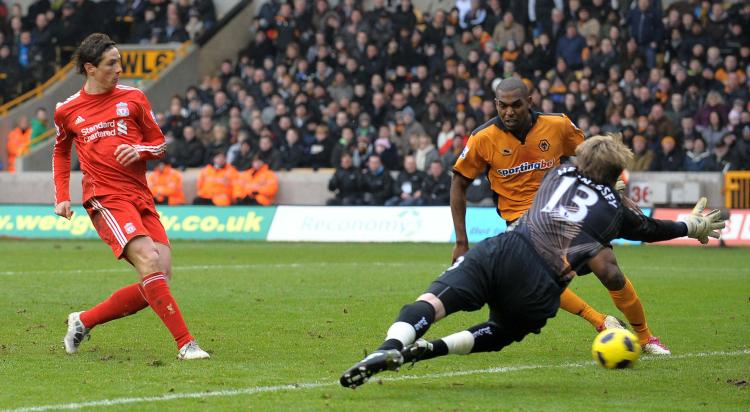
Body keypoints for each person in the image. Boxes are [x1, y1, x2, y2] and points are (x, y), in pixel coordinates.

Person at [340, 134, 725, 388]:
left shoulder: (557, 172)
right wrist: (691, 225)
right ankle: (431, 350)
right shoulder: (616, 211)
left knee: (436, 300)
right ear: (616, 174)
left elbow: (586, 183)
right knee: (500, 330)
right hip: (543, 285)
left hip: (505, 249)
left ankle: (393, 342)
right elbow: (648, 228)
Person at [450, 78, 670, 354]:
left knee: (609, 269)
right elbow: (458, 184)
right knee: (546, 276)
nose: (508, 112)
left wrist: (617, 194)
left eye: (516, 105)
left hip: (565, 209)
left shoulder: (557, 126)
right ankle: (601, 322)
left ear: (530, 102)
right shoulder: (482, 138)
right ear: (495, 104)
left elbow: (592, 158)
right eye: (502, 106)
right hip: (522, 221)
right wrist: (461, 240)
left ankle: (645, 337)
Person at [52, 33, 209, 360]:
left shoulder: (135, 98)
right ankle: (186, 344)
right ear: (90, 68)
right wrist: (62, 195)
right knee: (149, 262)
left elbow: (160, 145)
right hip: (104, 198)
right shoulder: (67, 110)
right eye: (112, 63)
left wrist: (138, 149)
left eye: (120, 61)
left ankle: (84, 320)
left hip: (140, 196)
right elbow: (61, 151)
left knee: (160, 275)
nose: (119, 69)